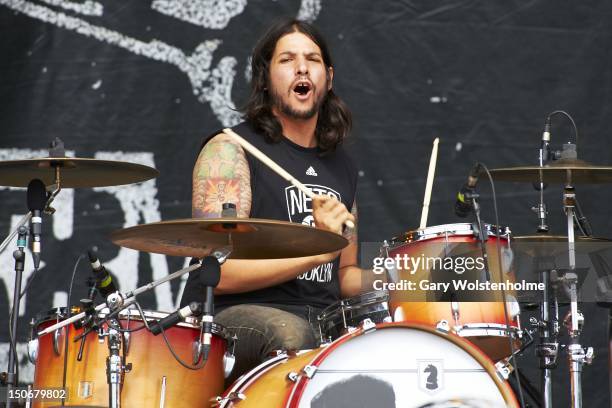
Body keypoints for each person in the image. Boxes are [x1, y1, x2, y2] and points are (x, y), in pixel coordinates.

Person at [180, 17, 361, 383]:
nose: (301, 67)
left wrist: (407, 276)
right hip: (233, 319)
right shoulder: (230, 150)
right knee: (291, 334)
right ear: (264, 78)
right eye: (287, 59)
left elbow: (344, 276)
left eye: (312, 59)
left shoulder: (341, 165)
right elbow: (217, 273)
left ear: (328, 77)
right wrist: (319, 250)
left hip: (322, 319)